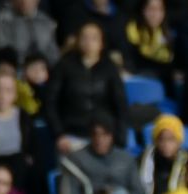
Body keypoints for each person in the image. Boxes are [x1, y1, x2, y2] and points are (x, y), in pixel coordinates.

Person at [45, 22, 127, 153]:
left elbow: (120, 105)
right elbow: (50, 102)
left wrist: (119, 138)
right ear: (78, 40)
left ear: (101, 43)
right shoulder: (63, 66)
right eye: (84, 37)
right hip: (72, 135)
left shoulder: (110, 68)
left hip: (103, 137)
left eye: (94, 38)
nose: (89, 42)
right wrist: (59, 134)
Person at [139, 114, 188, 194]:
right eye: (161, 139)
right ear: (156, 141)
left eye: (171, 139)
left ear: (179, 141)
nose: (166, 144)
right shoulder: (145, 159)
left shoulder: (187, 162)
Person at [0, 0, 61, 66]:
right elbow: (2, 54)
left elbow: (54, 56)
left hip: (42, 72)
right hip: (12, 72)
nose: (25, 1)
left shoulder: (46, 23)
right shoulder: (1, 21)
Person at [125, 0, 175, 85]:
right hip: (143, 78)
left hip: (166, 80)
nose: (155, 14)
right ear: (143, 10)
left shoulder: (168, 31)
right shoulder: (134, 29)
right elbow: (134, 59)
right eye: (151, 9)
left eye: (160, 9)